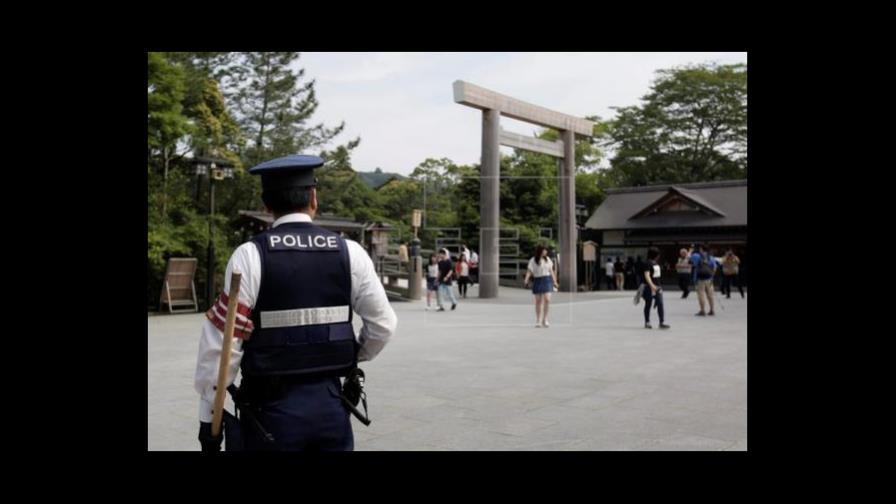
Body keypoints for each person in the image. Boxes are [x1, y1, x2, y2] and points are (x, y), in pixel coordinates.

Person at [193, 154, 397, 452]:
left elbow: (223, 347)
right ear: (313, 197)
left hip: (268, 416)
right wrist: (350, 355)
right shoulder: (350, 252)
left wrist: (209, 420)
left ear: (267, 204)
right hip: (331, 408)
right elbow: (384, 326)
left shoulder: (250, 256)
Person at [523, 244, 559, 328]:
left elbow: (551, 271)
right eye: (544, 250)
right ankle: (538, 320)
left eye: (546, 250)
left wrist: (555, 281)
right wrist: (526, 279)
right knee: (538, 301)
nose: (546, 251)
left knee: (547, 299)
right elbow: (529, 271)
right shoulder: (533, 260)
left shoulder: (548, 259)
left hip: (547, 280)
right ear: (540, 250)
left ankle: (545, 319)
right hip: (537, 280)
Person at [641, 247, 669, 329]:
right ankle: (647, 322)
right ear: (655, 255)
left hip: (658, 286)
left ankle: (661, 322)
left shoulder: (656, 263)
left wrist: (659, 286)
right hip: (649, 287)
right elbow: (647, 276)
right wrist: (652, 285)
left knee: (660, 303)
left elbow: (657, 277)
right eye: (658, 254)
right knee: (648, 304)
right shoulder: (647, 263)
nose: (659, 256)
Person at [691, 243, 719, 316]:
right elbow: (715, 268)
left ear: (701, 249)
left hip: (699, 278)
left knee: (701, 295)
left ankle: (702, 310)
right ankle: (712, 310)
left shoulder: (696, 256)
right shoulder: (711, 257)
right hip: (709, 278)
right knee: (710, 295)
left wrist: (691, 251)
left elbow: (690, 260)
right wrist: (712, 276)